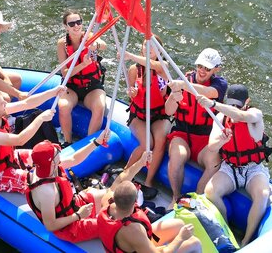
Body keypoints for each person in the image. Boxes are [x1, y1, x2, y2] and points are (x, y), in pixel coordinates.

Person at [198, 84, 272, 247]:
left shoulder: (255, 115)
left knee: (262, 194)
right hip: (230, 167)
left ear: (247, 102)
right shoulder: (220, 117)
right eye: (230, 104)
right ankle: (226, 232)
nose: (233, 108)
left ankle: (246, 240)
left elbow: (241, 116)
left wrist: (213, 104)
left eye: (237, 105)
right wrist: (221, 141)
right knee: (210, 192)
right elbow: (212, 147)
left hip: (253, 168)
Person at [24, 131, 124, 244]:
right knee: (112, 227)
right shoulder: (46, 192)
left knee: (109, 196)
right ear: (51, 162)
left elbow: (74, 159)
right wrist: (78, 215)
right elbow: (50, 225)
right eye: (56, 153)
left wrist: (96, 142)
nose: (59, 151)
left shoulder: (47, 167)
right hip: (70, 227)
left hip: (73, 205)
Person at [0, 85, 66, 193]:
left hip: (9, 159)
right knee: (39, 182)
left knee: (46, 158)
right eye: (3, 104)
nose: (6, 105)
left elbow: (27, 103)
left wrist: (54, 92)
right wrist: (41, 119)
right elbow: (19, 140)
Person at [164, 48, 228, 203]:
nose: (202, 71)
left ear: (215, 69)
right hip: (182, 134)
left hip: (205, 139)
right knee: (177, 155)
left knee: (214, 162)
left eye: (207, 68)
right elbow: (168, 111)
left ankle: (198, 197)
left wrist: (184, 86)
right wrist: (173, 97)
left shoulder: (220, 84)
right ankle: (176, 197)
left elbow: (209, 92)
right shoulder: (184, 80)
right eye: (200, 66)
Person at [121, 37, 171, 197]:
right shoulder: (134, 70)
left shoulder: (164, 67)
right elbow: (131, 93)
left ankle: (148, 182)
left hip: (158, 114)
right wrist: (132, 93)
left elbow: (154, 65)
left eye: (153, 47)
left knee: (161, 139)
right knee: (147, 143)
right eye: (146, 45)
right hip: (139, 116)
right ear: (142, 48)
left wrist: (130, 55)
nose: (149, 49)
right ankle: (125, 174)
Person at [97, 180, 202, 253]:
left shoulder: (106, 202)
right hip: (137, 244)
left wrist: (142, 162)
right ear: (135, 201)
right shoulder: (134, 231)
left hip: (127, 244)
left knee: (179, 224)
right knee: (195, 243)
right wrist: (180, 238)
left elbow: (124, 176)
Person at [56, 10, 108, 146]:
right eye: (71, 23)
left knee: (100, 106)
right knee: (63, 106)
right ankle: (67, 141)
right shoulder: (62, 44)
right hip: (72, 86)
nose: (76, 26)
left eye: (78, 22)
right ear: (66, 27)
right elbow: (64, 73)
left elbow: (103, 45)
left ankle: (89, 144)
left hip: (92, 86)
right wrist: (83, 65)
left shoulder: (90, 37)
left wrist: (95, 45)